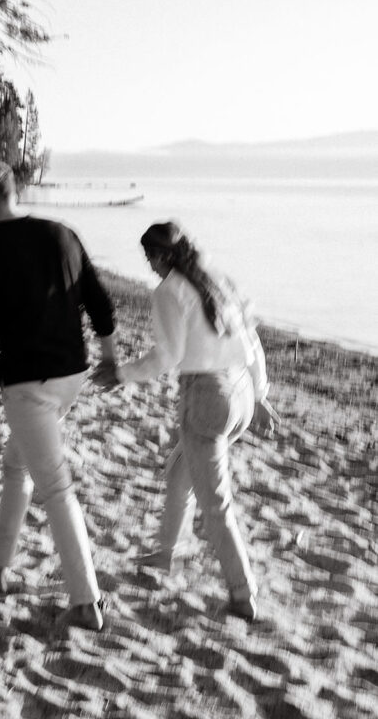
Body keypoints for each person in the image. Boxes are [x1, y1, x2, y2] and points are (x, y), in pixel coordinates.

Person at [0, 161, 117, 632]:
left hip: (28, 384)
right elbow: (100, 303)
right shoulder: (63, 234)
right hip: (71, 376)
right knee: (16, 462)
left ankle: (85, 601)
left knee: (56, 487)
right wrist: (111, 357)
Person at [92, 221, 278, 622]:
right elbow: (252, 341)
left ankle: (243, 592)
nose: (149, 267)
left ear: (160, 256)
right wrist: (260, 395)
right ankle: (168, 555)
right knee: (180, 471)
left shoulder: (168, 291)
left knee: (215, 503)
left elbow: (168, 357)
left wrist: (119, 374)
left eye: (149, 258)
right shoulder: (219, 278)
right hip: (241, 392)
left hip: (207, 398)